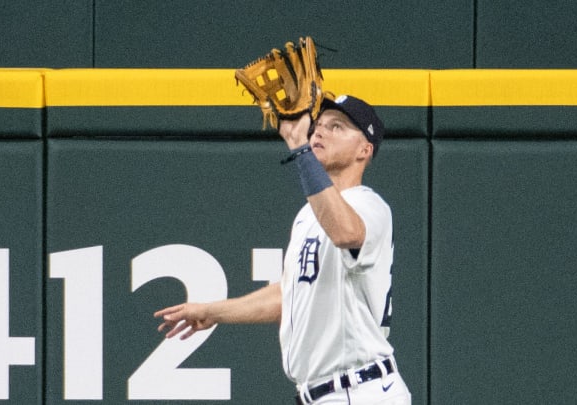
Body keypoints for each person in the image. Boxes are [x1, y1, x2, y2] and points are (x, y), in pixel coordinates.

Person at [155, 95, 411, 405]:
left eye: (337, 127)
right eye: (318, 126)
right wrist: (212, 311)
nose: (320, 132)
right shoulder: (307, 216)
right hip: (326, 394)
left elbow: (346, 233)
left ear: (364, 150)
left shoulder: (370, 205)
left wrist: (301, 149)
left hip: (360, 390)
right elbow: (288, 295)